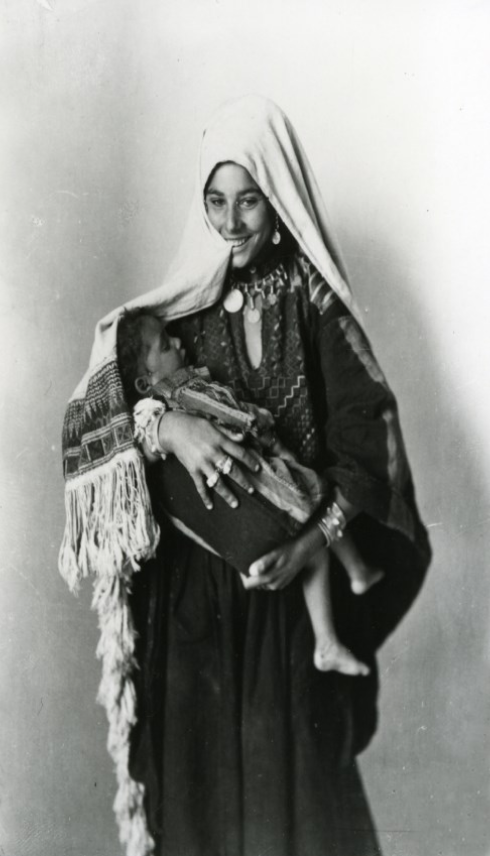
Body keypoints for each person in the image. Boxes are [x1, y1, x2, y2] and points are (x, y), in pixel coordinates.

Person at [59, 96, 431, 856]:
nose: (231, 222)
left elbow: (369, 437)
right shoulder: (175, 309)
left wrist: (313, 541)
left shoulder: (312, 299)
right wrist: (168, 426)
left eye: (251, 201)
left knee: (294, 811)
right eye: (216, 201)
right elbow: (92, 421)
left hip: (287, 601)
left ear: (280, 197)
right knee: (198, 809)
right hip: (193, 610)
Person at [117, 307, 385, 676]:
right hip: (250, 486)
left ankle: (345, 599)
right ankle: (348, 591)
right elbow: (218, 411)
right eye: (165, 345)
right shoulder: (180, 393)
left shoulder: (180, 387)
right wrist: (249, 420)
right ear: (145, 383)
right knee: (315, 503)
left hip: (243, 503)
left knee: (314, 530)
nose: (177, 342)